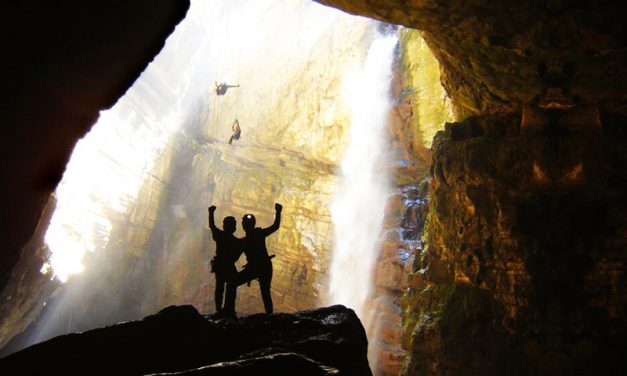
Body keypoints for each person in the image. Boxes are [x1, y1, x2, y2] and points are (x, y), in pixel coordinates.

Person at [223, 203, 282, 316]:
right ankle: (269, 316)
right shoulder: (257, 235)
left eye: (245, 223)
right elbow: (275, 226)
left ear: (243, 225)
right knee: (265, 293)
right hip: (263, 267)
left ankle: (228, 311)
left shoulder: (245, 241)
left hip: (258, 268)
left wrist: (224, 264)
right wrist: (278, 212)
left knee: (232, 284)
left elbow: (234, 257)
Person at [208, 205, 243, 316]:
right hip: (227, 266)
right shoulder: (236, 241)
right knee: (230, 285)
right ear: (233, 227)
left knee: (220, 287)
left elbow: (212, 225)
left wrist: (211, 212)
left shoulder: (220, 235)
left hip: (220, 266)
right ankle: (228, 309)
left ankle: (220, 310)